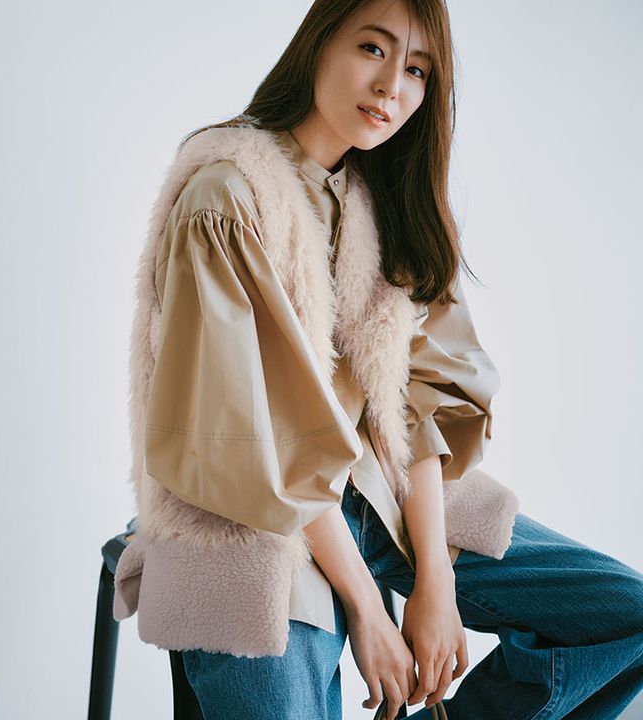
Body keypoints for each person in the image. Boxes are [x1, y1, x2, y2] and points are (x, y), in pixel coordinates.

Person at [113, 1, 643, 718]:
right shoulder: (228, 198)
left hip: (380, 495)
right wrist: (367, 608)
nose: (393, 85)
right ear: (318, 43)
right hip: (257, 519)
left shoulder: (388, 201)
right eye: (373, 48)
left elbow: (416, 402)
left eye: (418, 69)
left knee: (625, 617)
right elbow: (255, 442)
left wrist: (436, 578)